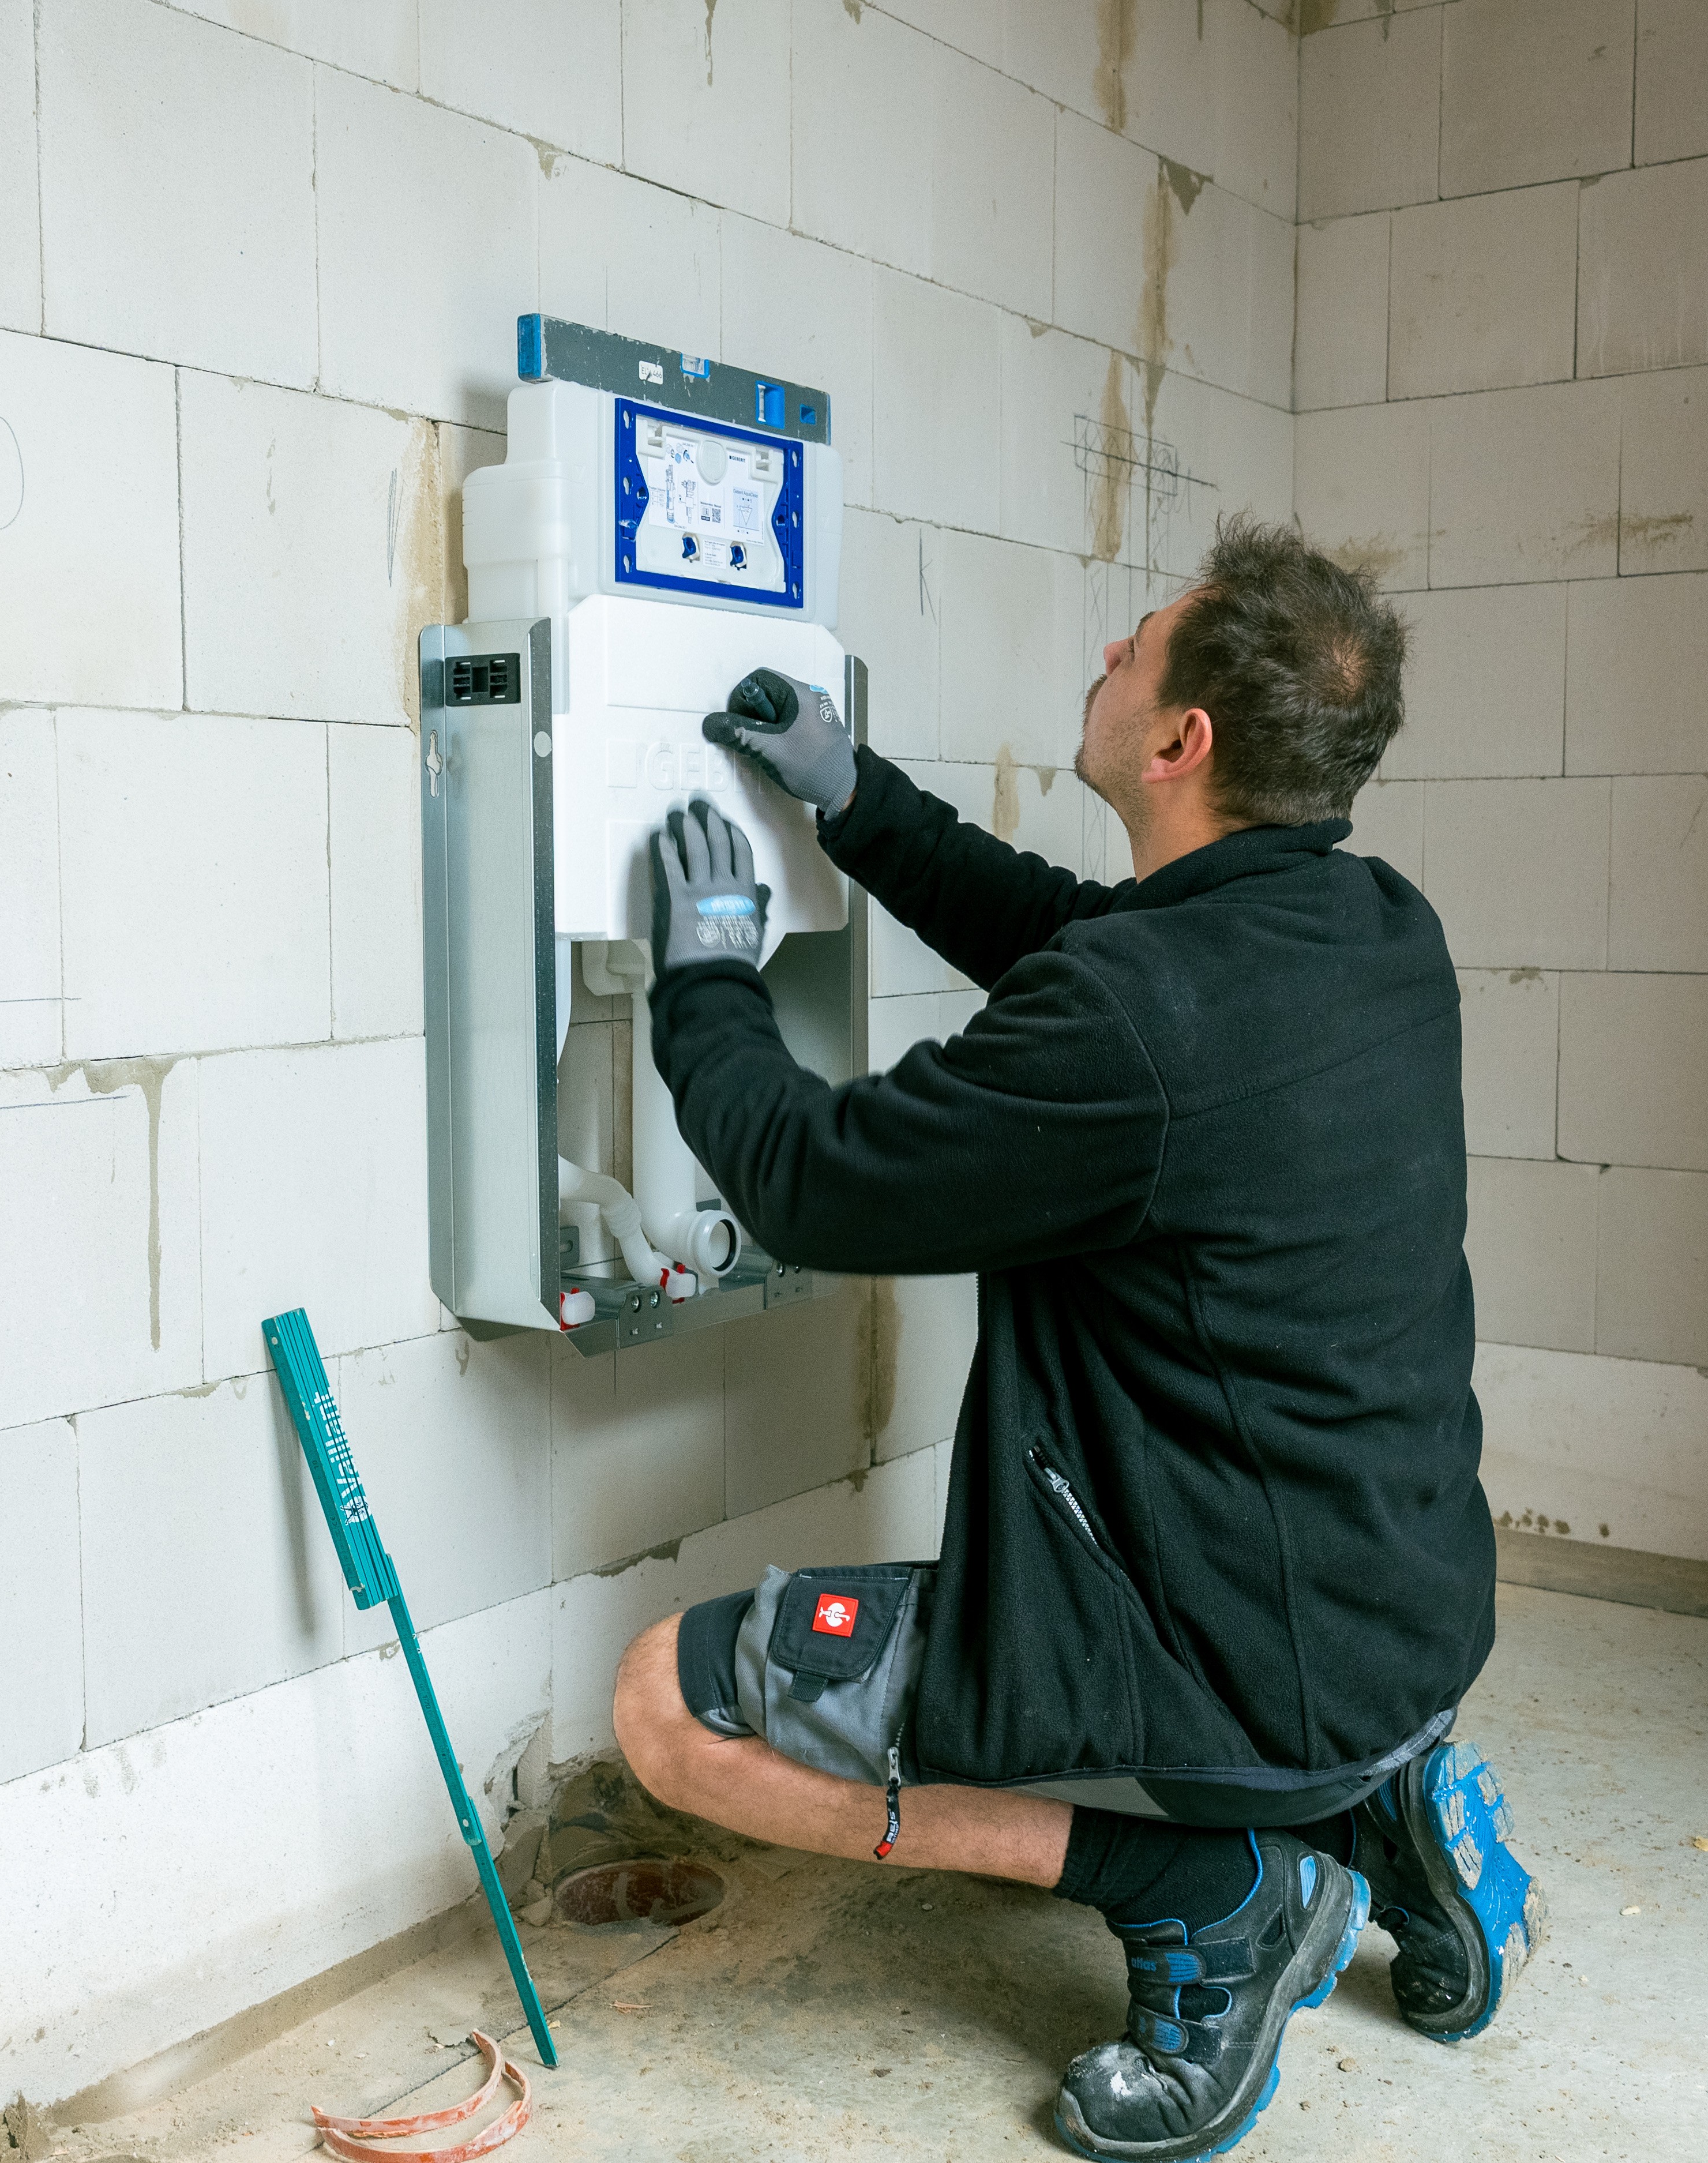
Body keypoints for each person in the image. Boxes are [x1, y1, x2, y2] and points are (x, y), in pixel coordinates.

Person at [610, 516, 1544, 2162]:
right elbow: (1086, 949)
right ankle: (1378, 1801)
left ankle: (1222, 1885)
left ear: (1181, 742)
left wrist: (702, 985)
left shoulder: (1138, 1021)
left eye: (1139, 644)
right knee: (1281, 1697)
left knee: (665, 1713)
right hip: (1399, 1620)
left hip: (1242, 1654)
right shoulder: (1374, 926)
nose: (1106, 652)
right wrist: (861, 800)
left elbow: (814, 1183)